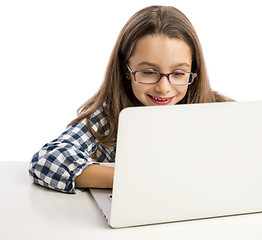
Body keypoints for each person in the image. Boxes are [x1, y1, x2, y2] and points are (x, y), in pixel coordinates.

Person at [29, 5, 233, 194]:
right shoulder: (108, 117)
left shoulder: (221, 112)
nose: (163, 88)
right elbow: (47, 161)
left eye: (178, 74)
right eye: (148, 72)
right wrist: (140, 180)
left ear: (193, 71)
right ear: (126, 70)